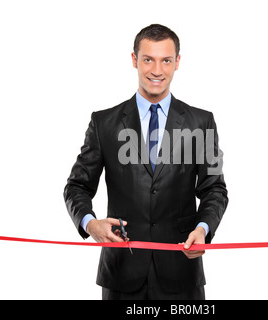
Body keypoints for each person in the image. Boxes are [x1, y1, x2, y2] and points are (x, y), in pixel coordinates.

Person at [64, 24, 228, 300]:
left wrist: (203, 229)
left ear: (177, 62)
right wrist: (91, 224)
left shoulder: (201, 122)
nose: (157, 70)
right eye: (148, 59)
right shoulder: (104, 123)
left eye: (166, 60)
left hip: (181, 274)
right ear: (134, 60)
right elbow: (76, 187)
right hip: (121, 273)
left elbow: (214, 189)